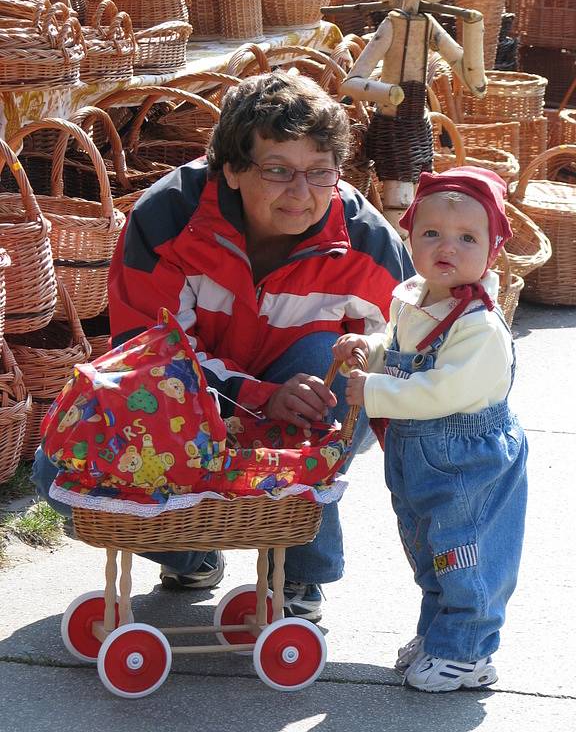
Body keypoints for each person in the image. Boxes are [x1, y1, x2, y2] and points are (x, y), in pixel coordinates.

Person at [32, 70, 413, 622]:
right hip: (192, 396)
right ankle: (191, 549)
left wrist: (365, 377)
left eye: (320, 172)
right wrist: (258, 396)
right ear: (231, 168)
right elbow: (147, 356)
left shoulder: (368, 240)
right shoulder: (166, 218)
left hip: (303, 398)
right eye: (278, 171)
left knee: (323, 370)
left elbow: (406, 352)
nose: (302, 193)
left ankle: (300, 572)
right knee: (56, 473)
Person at [333, 166, 528, 690]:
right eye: (432, 233)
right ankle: (441, 634)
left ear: (491, 251)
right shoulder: (416, 297)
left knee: (465, 550)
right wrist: (370, 351)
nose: (448, 247)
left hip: (467, 460)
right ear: (411, 236)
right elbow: (403, 351)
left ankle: (468, 651)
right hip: (420, 457)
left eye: (468, 237)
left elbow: (443, 390)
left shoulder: (479, 327)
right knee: (429, 549)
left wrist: (373, 390)